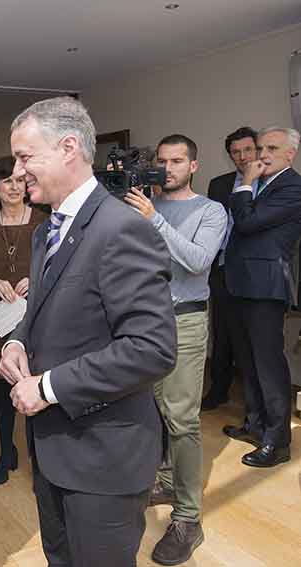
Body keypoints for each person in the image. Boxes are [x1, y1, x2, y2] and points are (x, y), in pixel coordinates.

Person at [0, 97, 176, 567]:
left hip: (104, 459)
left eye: (25, 156)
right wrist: (17, 339)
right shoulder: (46, 230)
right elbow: (44, 307)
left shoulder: (120, 229)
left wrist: (49, 386)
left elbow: (151, 349)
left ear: (69, 148)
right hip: (54, 450)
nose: (17, 171)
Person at [125, 134, 226, 565]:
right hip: (142, 320)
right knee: (149, 410)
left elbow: (196, 261)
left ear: (194, 166)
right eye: (162, 161)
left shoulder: (210, 210)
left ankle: (188, 518)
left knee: (182, 419)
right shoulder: (142, 205)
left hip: (185, 320)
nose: (168, 168)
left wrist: (154, 220)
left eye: (177, 161)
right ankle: (164, 479)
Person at [222, 126, 301, 468]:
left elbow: (247, 223)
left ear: (290, 154)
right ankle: (255, 425)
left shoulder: (294, 187)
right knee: (248, 361)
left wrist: (242, 184)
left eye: (272, 148)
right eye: (260, 147)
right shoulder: (263, 184)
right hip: (240, 282)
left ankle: (278, 441)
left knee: (269, 365)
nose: (261, 155)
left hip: (266, 286)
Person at [0, 156, 46, 486]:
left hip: (36, 316)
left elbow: (61, 266)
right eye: (7, 181)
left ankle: (40, 462)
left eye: (20, 180)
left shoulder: (45, 222)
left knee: (35, 386)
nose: (14, 187)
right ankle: (6, 453)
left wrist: (36, 279)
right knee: (0, 386)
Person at [202, 126, 259, 410]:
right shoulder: (219, 184)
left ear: (257, 150)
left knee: (251, 340)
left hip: (255, 273)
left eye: (248, 149)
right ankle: (219, 390)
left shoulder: (271, 183)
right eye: (235, 152)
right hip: (222, 269)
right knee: (221, 334)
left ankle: (254, 403)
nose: (242, 156)